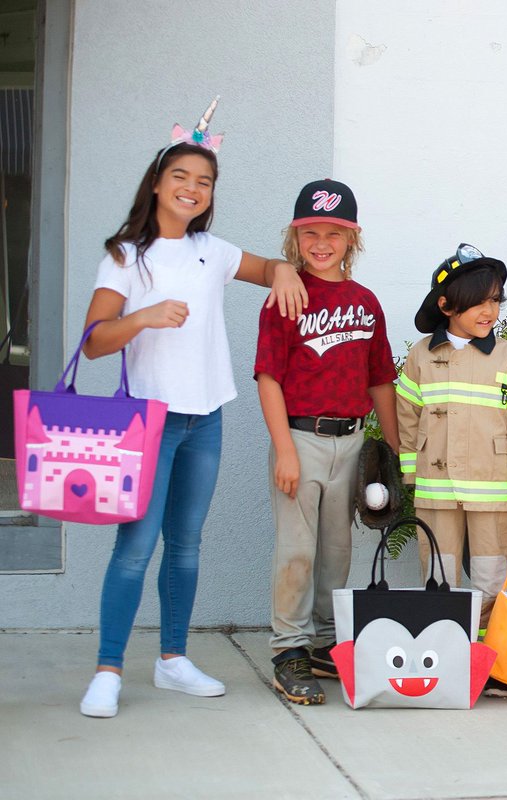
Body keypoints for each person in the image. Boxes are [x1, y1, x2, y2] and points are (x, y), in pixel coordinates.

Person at [78, 98, 307, 718]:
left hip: (205, 418)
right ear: (157, 182)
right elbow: (95, 341)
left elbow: (268, 266)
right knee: (135, 546)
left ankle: (173, 660)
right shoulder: (126, 256)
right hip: (147, 422)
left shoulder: (214, 251)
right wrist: (144, 315)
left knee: (186, 545)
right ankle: (107, 670)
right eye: (181, 175)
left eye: (204, 181)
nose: (192, 188)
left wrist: (284, 269)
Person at [254, 179, 400, 705]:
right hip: (300, 436)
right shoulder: (286, 297)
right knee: (296, 549)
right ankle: (287, 650)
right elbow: (268, 377)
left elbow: (380, 378)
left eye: (334, 233)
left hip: (352, 441)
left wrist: (396, 448)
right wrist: (285, 449)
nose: (321, 242)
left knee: (337, 550)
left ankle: (321, 640)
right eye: (310, 232)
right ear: (295, 238)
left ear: (351, 239)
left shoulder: (364, 302)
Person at [395, 245, 507, 696]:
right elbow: (407, 417)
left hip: (494, 493)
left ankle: (492, 661)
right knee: (440, 578)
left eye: (496, 300)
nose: (491, 310)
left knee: (493, 580)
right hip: (437, 491)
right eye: (479, 301)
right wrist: (411, 475)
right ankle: (445, 659)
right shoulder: (422, 356)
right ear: (446, 305)